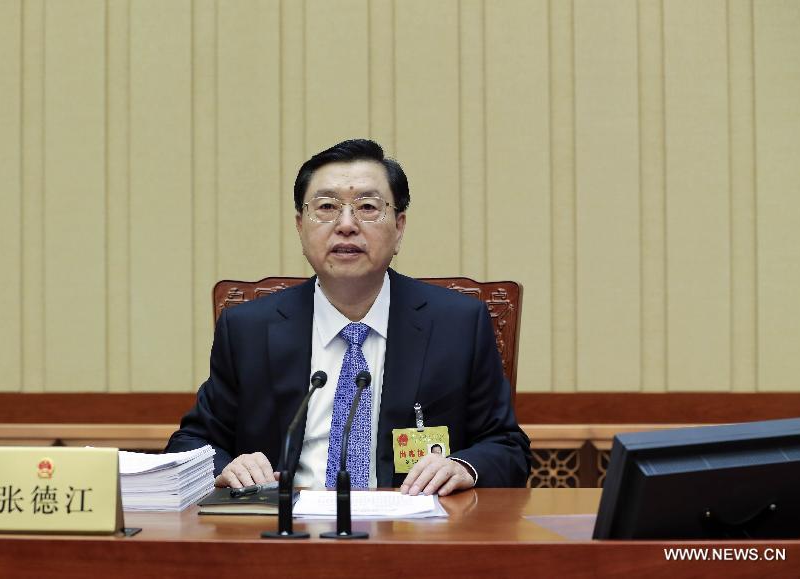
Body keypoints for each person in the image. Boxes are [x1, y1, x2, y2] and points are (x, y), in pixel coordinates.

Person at [166, 139, 531, 496]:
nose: (346, 225)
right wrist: (229, 467)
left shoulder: (457, 324)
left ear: (399, 227)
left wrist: (462, 466)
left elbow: (508, 447)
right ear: (300, 227)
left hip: (411, 534)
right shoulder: (249, 328)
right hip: (283, 535)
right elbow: (190, 444)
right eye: (326, 206)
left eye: (368, 207)